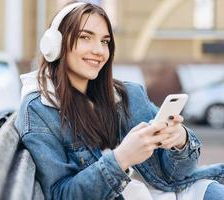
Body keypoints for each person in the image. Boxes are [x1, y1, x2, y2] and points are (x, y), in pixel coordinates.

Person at [15, 1, 224, 199]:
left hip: (179, 192)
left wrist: (179, 141)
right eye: (85, 37)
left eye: (105, 41)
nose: (98, 50)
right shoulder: (40, 110)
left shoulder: (128, 95)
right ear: (55, 44)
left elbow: (177, 176)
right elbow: (62, 194)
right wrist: (122, 158)